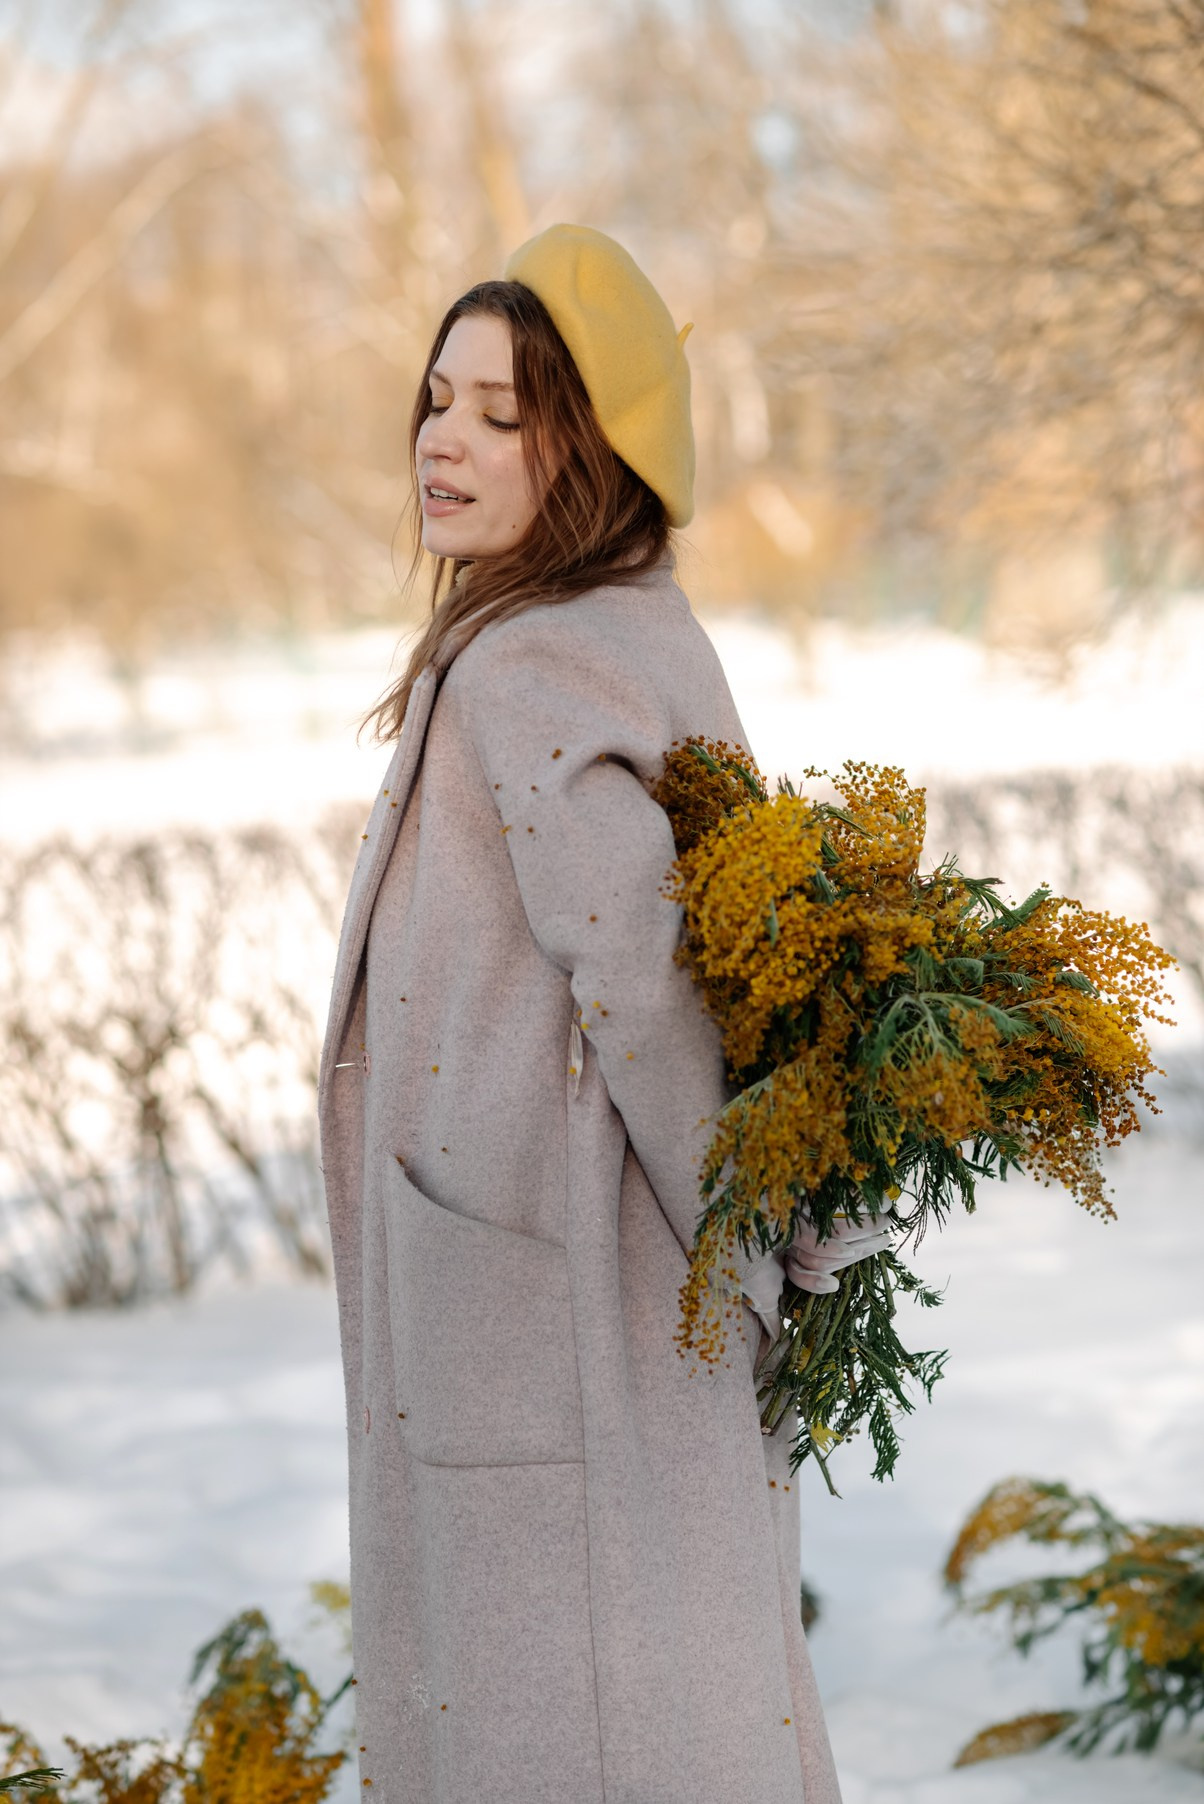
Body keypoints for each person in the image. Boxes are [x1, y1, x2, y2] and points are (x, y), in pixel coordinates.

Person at [319, 223, 890, 1804]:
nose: (444, 439)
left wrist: (760, 1238)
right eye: (437, 399)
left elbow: (641, 985)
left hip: (561, 1300)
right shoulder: (626, 622)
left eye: (504, 413)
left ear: (598, 448)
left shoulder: (535, 664)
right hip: (563, 1285)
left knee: (573, 1728)